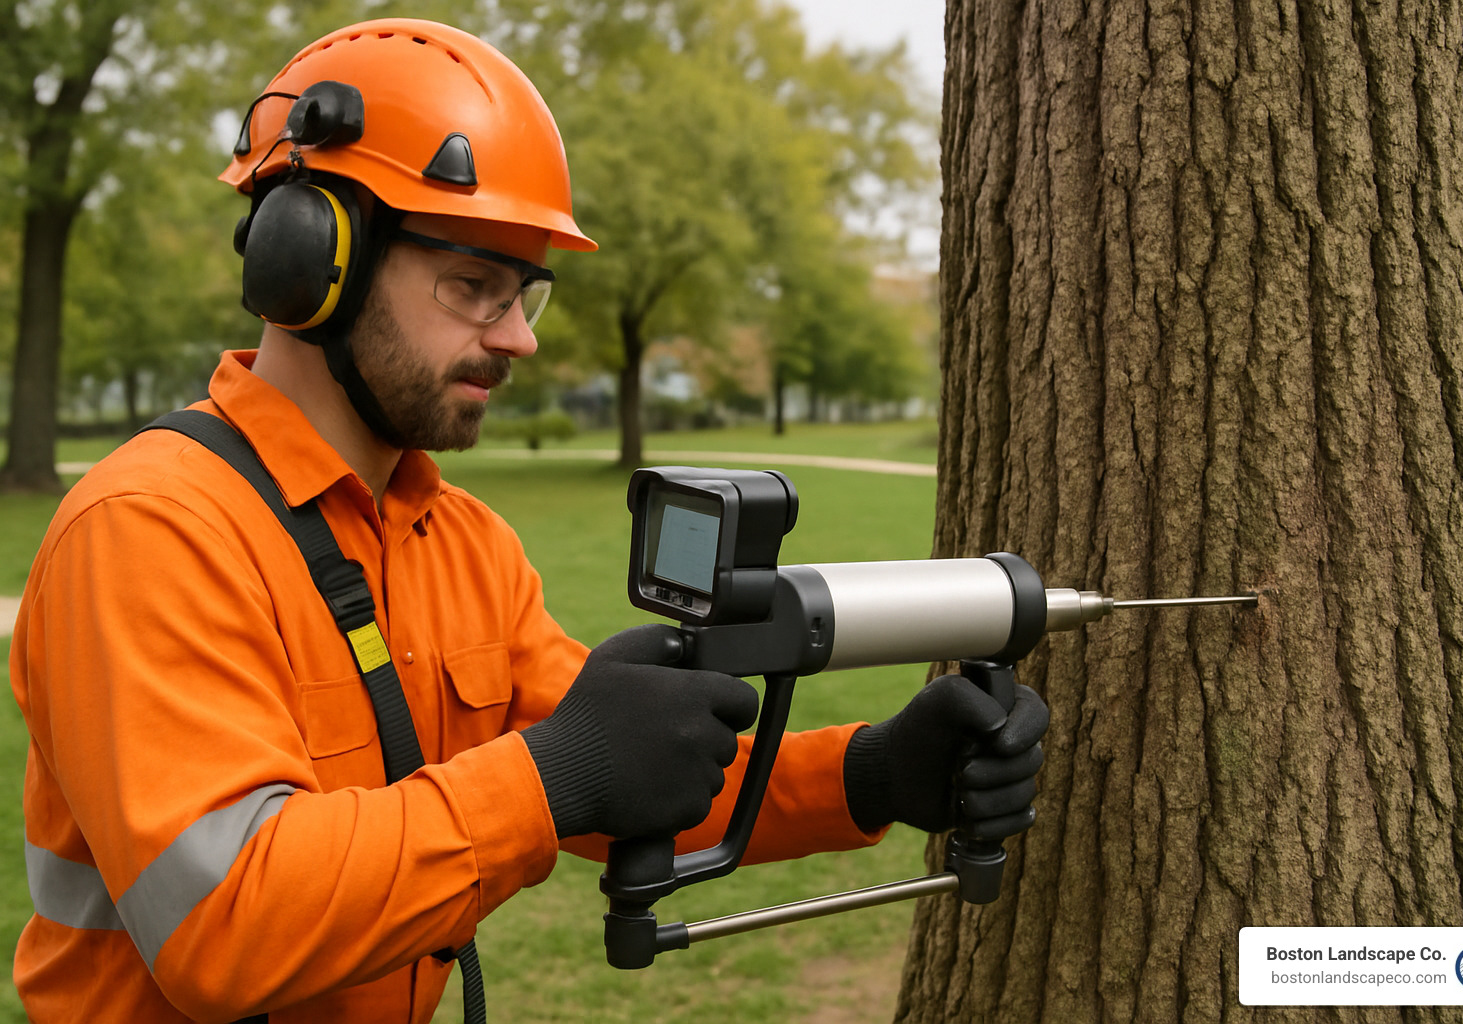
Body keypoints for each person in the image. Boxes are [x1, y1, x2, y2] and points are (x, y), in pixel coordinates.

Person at [9, 18, 1049, 1023]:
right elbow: (225, 920)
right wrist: (554, 776)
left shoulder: (464, 545)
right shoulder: (149, 529)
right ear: (309, 260)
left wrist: (867, 772)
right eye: (474, 286)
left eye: (526, 295)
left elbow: (635, 762)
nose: (518, 339)